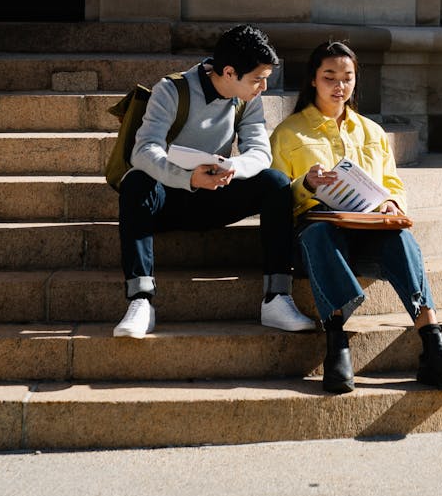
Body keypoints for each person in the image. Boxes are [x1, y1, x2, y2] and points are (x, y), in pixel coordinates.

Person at [269, 40, 442, 394]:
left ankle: (433, 341)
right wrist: (306, 184)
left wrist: (392, 203)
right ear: (313, 81)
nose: (339, 86)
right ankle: (337, 342)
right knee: (320, 235)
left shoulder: (371, 131)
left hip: (367, 228)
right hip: (316, 236)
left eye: (347, 78)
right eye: (329, 77)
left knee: (401, 238)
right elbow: (276, 197)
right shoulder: (289, 133)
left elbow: (392, 182)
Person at [113, 23, 315, 338]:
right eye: (258, 79)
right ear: (230, 72)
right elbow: (144, 150)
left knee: (275, 182)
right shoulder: (171, 90)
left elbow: (260, 152)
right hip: (169, 200)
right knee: (135, 183)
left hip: (216, 194)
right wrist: (186, 177)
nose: (263, 87)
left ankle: (277, 298)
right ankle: (141, 300)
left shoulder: (248, 99)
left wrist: (232, 167)